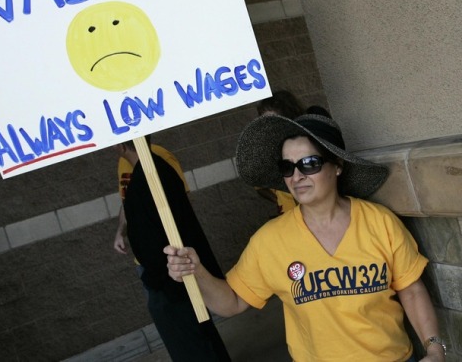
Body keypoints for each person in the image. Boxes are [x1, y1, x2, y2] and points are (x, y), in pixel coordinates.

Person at [165, 115, 446, 361]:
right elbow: (233, 302)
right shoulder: (270, 241)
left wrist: (434, 350)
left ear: (337, 166)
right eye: (287, 167)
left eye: (309, 163)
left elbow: (411, 290)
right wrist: (196, 271)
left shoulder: (380, 222)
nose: (297, 176)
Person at [115, 140, 231, 362]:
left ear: (121, 146)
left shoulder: (149, 177)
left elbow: (155, 239)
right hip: (175, 279)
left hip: (172, 283)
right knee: (201, 340)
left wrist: (160, 280)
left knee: (192, 345)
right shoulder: (154, 171)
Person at [255, 90, 305, 214]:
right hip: (288, 218)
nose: (269, 127)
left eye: (274, 121)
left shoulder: (307, 144)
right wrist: (279, 199)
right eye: (264, 121)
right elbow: (259, 187)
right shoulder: (266, 153)